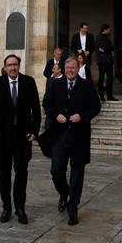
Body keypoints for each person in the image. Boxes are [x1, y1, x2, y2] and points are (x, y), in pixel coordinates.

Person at [42, 57, 101, 225]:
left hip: (79, 136)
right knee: (56, 170)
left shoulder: (87, 86)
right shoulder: (55, 84)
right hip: (59, 136)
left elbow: (96, 107)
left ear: (78, 68)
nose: (70, 70)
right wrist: (56, 115)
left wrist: (82, 116)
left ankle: (73, 207)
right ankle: (64, 193)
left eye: (73, 67)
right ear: (63, 68)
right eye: (67, 67)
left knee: (77, 174)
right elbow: (47, 104)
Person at [0, 54, 41, 224]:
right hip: (2, 137)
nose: (12, 68)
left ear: (19, 65)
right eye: (9, 65)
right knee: (4, 173)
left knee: (22, 172)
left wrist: (34, 131)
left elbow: (36, 109)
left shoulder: (28, 82)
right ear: (5, 67)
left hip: (22, 136)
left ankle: (20, 208)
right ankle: (6, 207)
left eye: (15, 64)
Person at [95, 23, 115, 101]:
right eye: (108, 29)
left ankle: (110, 96)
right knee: (101, 78)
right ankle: (101, 95)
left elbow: (111, 47)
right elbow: (101, 49)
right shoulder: (99, 37)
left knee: (110, 79)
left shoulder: (108, 37)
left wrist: (107, 49)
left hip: (109, 61)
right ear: (105, 30)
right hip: (102, 61)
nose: (109, 31)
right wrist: (108, 49)